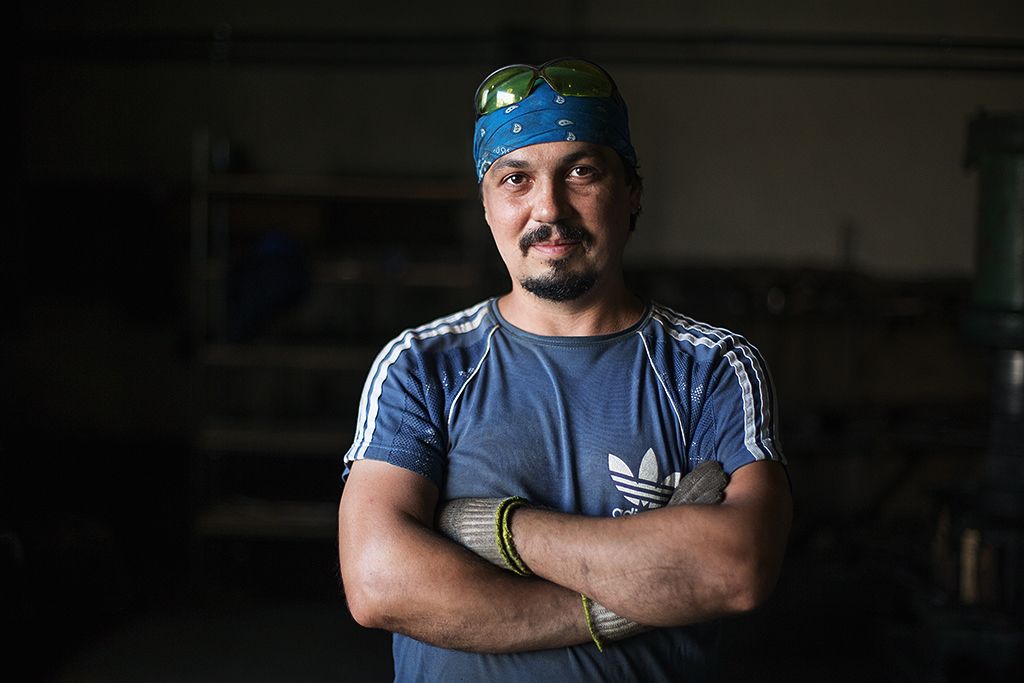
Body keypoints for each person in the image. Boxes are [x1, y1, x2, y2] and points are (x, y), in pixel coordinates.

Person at [337, 57, 792, 681]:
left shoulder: (710, 369)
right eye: (515, 179)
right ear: (486, 205)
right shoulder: (421, 367)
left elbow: (736, 569)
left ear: (631, 193)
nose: (548, 209)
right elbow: (377, 584)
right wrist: (623, 601)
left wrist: (501, 530)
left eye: (581, 172)